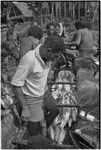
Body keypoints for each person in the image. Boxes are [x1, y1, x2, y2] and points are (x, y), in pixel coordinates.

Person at [11, 35, 65, 137]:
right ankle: (38, 134)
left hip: (44, 90)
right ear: (49, 50)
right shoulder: (29, 59)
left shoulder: (47, 56)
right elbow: (16, 84)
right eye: (55, 56)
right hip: (32, 96)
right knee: (35, 129)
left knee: (55, 110)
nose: (55, 59)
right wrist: (25, 108)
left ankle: (44, 128)